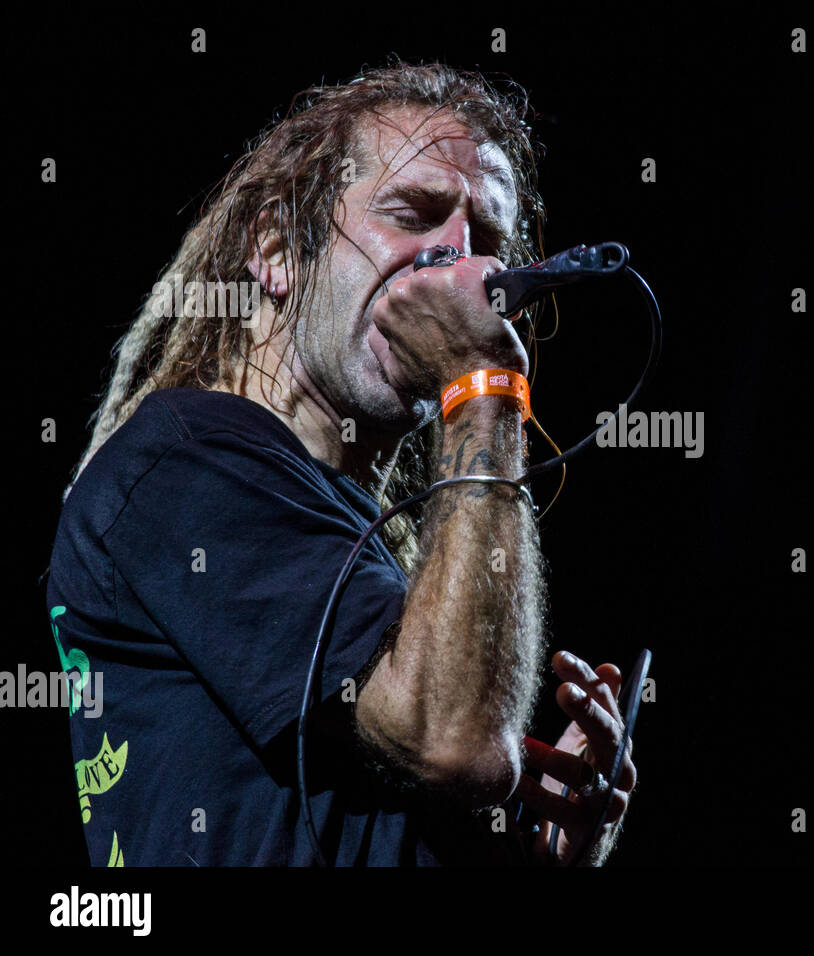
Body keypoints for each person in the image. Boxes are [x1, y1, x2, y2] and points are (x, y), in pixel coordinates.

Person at [45, 62, 636, 866]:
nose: (461, 266)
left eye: (488, 243)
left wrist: (545, 850)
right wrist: (484, 385)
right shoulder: (187, 460)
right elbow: (452, 741)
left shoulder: (355, 537)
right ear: (280, 251)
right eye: (415, 213)